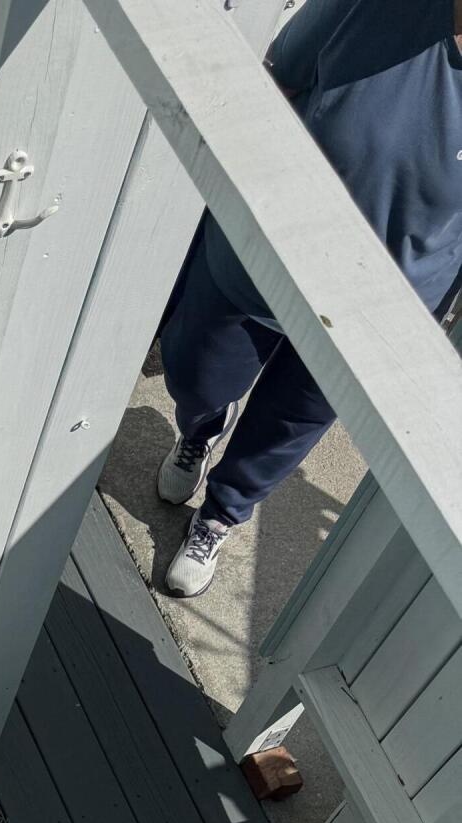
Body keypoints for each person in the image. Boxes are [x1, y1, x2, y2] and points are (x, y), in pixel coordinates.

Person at [157, 0, 462, 598]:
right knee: (194, 372)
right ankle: (199, 430)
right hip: (268, 249)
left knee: (286, 428)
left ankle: (222, 512)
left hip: (382, 306)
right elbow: (278, 75)